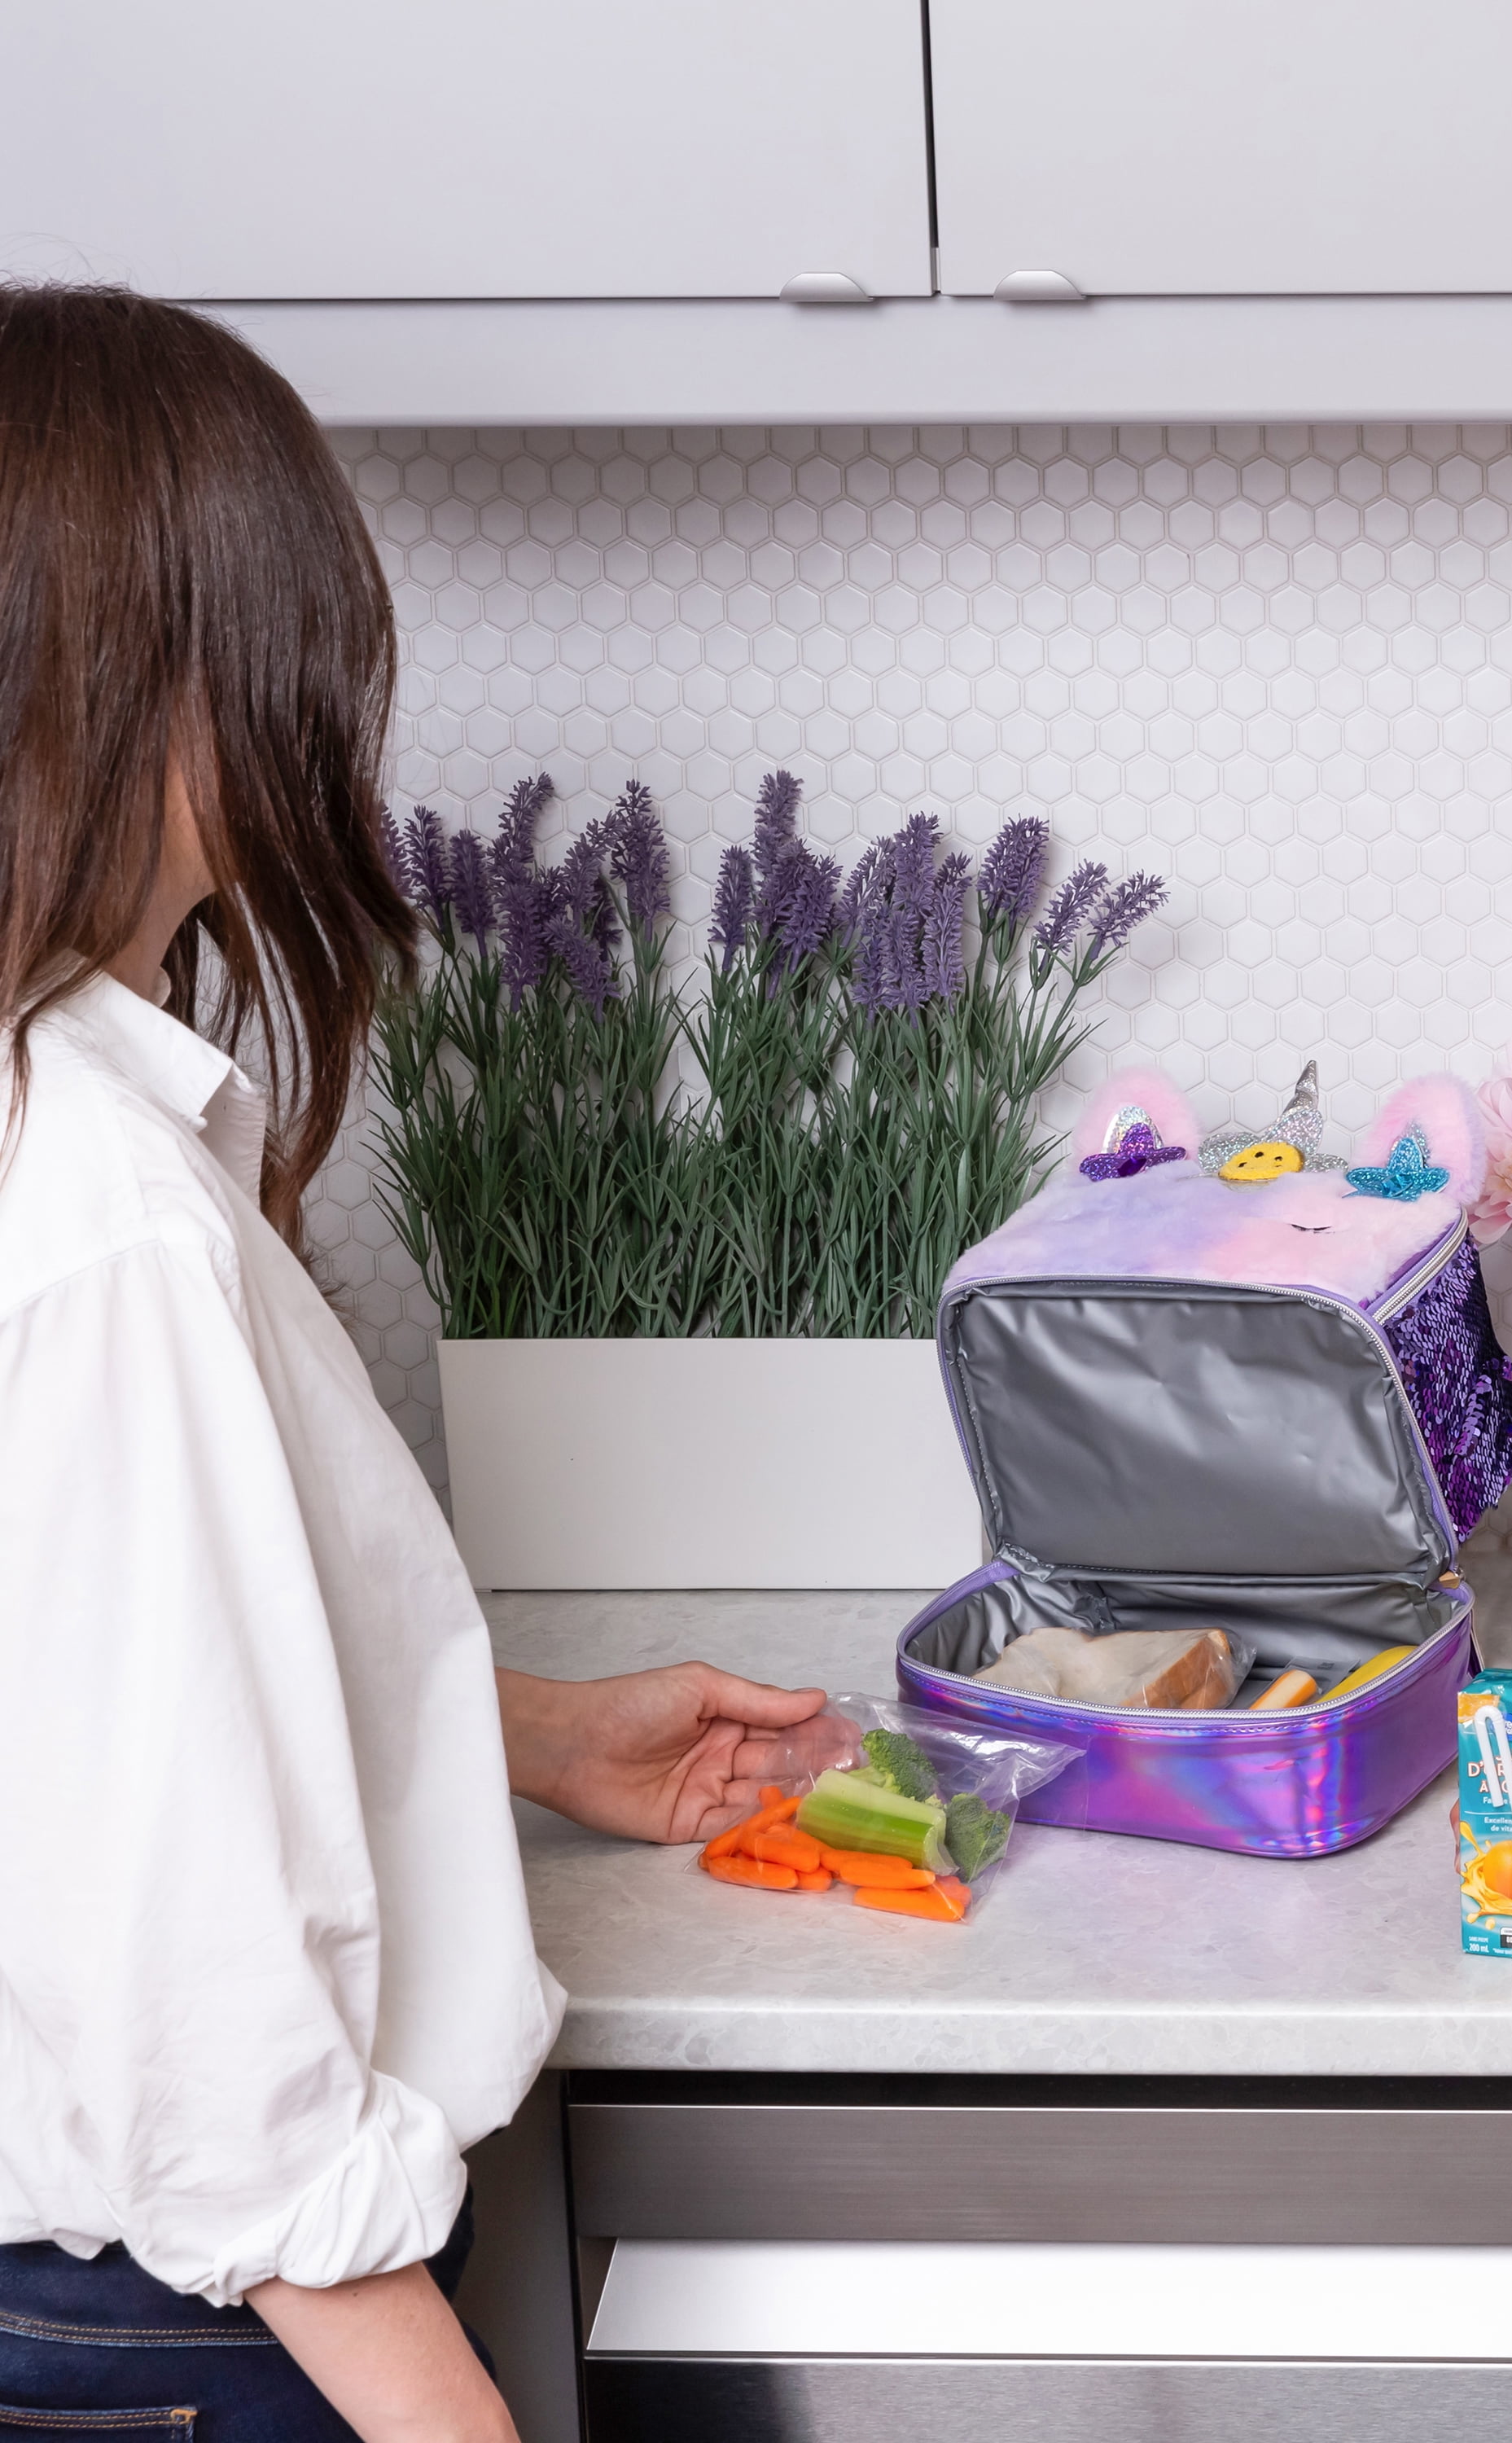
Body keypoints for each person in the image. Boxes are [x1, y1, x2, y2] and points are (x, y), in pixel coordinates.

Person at [0, 286, 849, 2438]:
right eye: (294, 630)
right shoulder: (106, 1224)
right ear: (141, 672)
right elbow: (203, 2020)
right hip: (206, 2327)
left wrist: (529, 1735)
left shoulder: (65, 1127)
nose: (326, 704)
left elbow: (94, 1721)